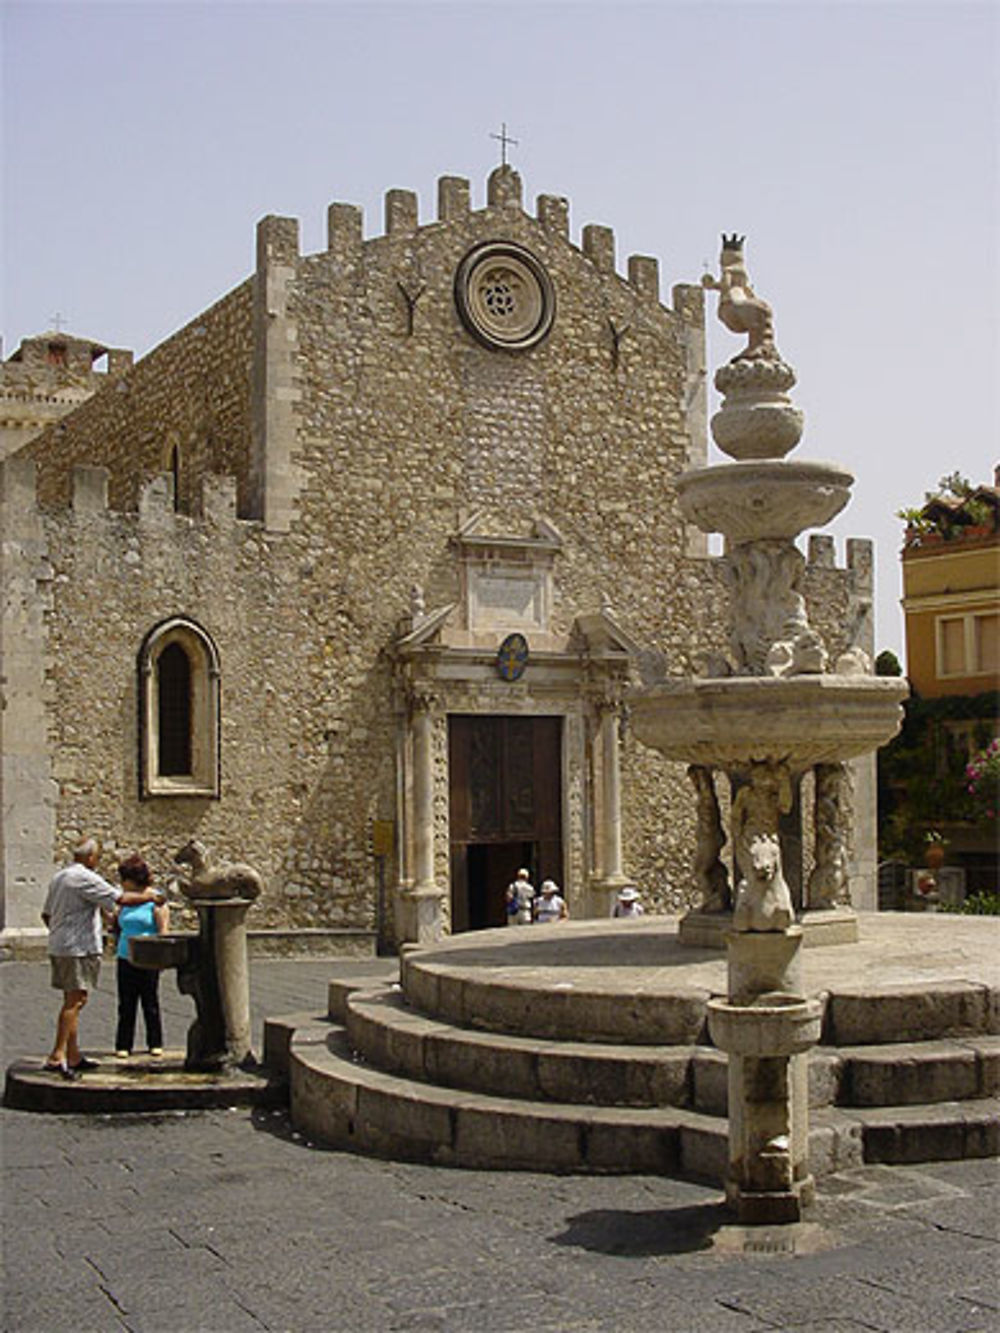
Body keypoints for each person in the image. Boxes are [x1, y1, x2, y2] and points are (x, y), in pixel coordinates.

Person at [41, 838, 163, 1080]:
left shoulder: (59, 877)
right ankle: (57, 1055)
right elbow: (121, 899)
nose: (97, 861)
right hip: (78, 947)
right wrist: (152, 898)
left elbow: (45, 914)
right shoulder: (85, 877)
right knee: (75, 1000)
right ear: (90, 858)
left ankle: (73, 1055)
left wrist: (60, 932)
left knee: (73, 998)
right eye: (97, 857)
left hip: (61, 944)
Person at [114, 854, 169, 1058]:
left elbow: (163, 929)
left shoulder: (155, 900)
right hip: (125, 955)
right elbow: (117, 922)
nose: (122, 883)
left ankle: (155, 1042)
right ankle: (123, 1044)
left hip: (148, 957)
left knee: (150, 1001)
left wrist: (162, 956)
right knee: (126, 1003)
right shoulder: (125, 900)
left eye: (124, 879)